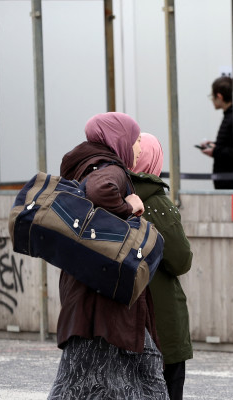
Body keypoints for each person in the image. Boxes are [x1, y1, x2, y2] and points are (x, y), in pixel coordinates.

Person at [48, 112, 169, 400]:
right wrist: (130, 207)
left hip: (88, 291)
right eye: (135, 139)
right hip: (106, 296)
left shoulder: (81, 167)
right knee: (146, 377)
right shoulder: (109, 168)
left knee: (79, 383)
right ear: (119, 139)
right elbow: (100, 190)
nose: (138, 147)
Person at [129, 133, 194, 400]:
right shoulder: (155, 202)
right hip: (161, 322)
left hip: (124, 321)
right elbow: (180, 260)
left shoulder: (113, 194)